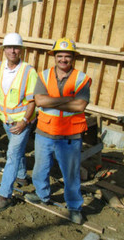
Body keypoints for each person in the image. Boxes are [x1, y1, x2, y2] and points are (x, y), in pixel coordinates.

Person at [24, 38, 92, 225]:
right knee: (40, 168)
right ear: (54, 57)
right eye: (59, 55)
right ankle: (42, 194)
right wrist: (66, 100)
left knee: (70, 173)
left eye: (67, 56)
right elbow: (39, 101)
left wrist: (52, 99)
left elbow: (80, 105)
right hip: (45, 130)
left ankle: (74, 207)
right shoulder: (44, 75)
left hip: (70, 134)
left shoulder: (81, 78)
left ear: (73, 58)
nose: (63, 59)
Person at [0, 33, 38, 212]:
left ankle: (4, 195)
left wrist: (25, 121)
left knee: (12, 154)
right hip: (6, 120)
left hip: (22, 122)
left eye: (16, 48)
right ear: (4, 50)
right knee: (17, 150)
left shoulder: (28, 71)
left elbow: (33, 101)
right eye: (9, 47)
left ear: (22, 50)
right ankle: (22, 176)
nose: (13, 51)